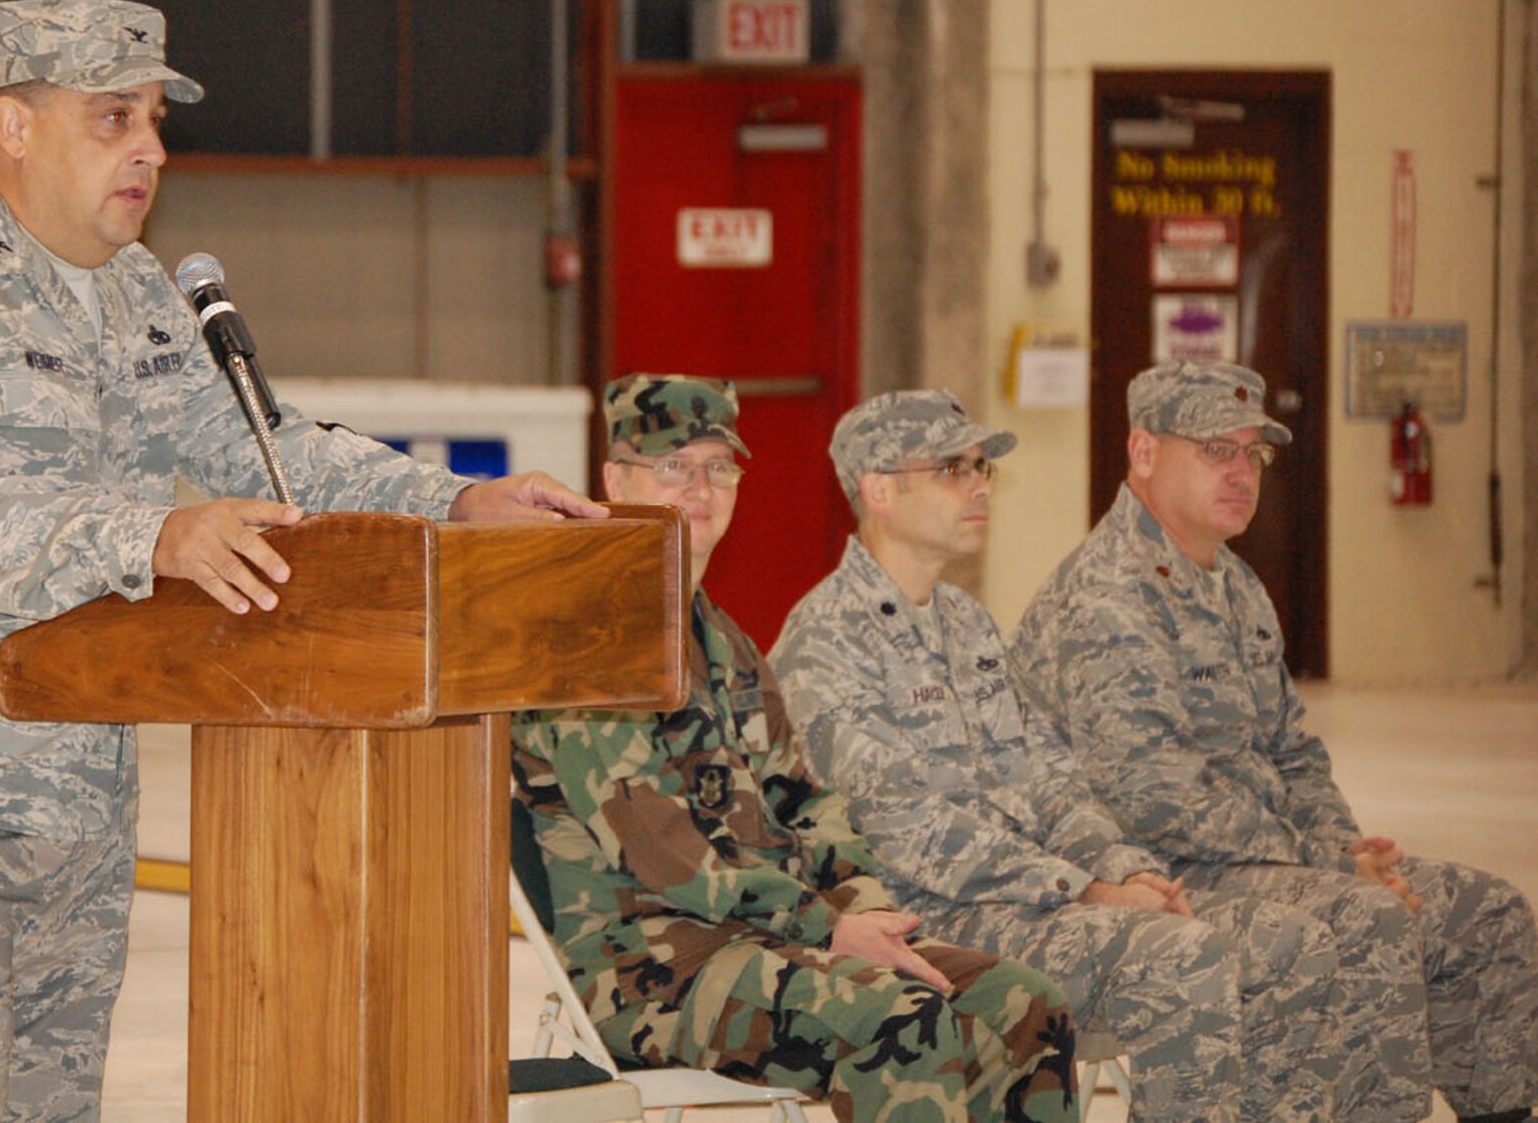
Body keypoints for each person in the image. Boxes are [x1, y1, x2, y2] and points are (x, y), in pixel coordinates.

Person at [0, 0, 603, 1121]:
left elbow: (263, 446)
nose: (148, 148)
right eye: (112, 118)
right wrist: (150, 535)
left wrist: (458, 500)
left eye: (153, 118)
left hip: (71, 800)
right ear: (14, 126)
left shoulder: (137, 296)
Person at [510, 373, 1080, 1123]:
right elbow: (669, 856)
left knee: (1026, 1004)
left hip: (770, 938)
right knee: (906, 1023)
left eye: (719, 466)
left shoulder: (723, 637)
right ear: (614, 479)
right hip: (654, 968)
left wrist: (864, 908)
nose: (701, 487)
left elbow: (805, 798)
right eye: (673, 466)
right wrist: (831, 926)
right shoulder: (588, 636)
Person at [770, 388, 1343, 1121]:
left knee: (1288, 943)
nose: (980, 485)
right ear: (880, 490)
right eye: (952, 468)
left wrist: (1118, 863)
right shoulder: (826, 638)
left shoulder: (966, 622)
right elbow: (904, 830)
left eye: (982, 466)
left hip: (1025, 897)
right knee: (1185, 958)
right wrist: (1080, 888)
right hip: (924, 918)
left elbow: (1047, 774)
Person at [1014, 359, 1538, 1123]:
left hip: (1269, 853)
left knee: (1490, 913)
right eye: (1215, 450)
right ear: (1144, 453)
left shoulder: (1235, 584)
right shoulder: (1107, 595)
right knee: (1370, 920)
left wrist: (1344, 846)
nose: (1242, 472)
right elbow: (1153, 796)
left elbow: (1294, 750)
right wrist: (1330, 864)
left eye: (1252, 452)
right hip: (1158, 870)